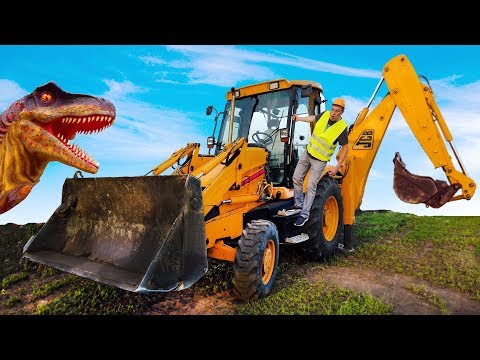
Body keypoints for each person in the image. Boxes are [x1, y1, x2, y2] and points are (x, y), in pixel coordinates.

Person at [290, 98, 349, 238]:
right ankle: (298, 205)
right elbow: (312, 118)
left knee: (311, 185)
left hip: (320, 161)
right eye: (333, 110)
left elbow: (345, 148)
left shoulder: (341, 127)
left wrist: (337, 167)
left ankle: (304, 214)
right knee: (296, 178)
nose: (333, 113)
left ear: (342, 112)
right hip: (308, 153)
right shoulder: (324, 115)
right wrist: (299, 118)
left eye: (337, 111)